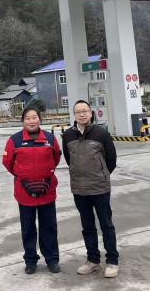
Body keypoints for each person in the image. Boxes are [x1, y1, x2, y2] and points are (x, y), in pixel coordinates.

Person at [62, 99, 119, 278]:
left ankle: (112, 261)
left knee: (106, 225)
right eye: (78, 112)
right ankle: (93, 260)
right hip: (79, 189)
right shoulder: (68, 135)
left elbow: (111, 160)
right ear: (74, 115)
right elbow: (69, 159)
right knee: (87, 226)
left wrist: (100, 175)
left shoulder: (101, 133)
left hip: (100, 188)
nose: (82, 114)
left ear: (90, 112)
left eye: (85, 111)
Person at [2, 106, 62, 274]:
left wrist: (45, 174)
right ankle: (30, 260)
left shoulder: (50, 139)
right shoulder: (14, 140)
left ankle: (52, 259)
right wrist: (23, 175)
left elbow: (56, 158)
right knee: (28, 228)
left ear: (39, 119)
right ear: (23, 121)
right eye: (27, 118)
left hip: (47, 191)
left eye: (34, 117)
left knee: (49, 227)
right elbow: (8, 162)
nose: (31, 121)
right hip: (24, 193)